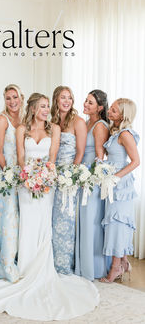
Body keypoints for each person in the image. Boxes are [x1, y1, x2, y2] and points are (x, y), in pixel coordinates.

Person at [0, 93, 99, 321]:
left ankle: (44, 269)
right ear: (33, 108)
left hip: (46, 186)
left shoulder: (54, 128)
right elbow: (21, 157)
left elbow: (52, 158)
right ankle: (25, 268)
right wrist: (27, 177)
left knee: (43, 226)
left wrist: (43, 177)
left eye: (47, 106)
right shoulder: (21, 129)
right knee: (28, 226)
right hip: (25, 186)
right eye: (42, 106)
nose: (47, 110)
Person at [100, 98, 139, 283]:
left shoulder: (125, 135)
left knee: (117, 224)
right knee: (114, 223)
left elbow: (136, 161)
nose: (109, 111)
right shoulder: (115, 132)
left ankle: (116, 268)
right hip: (111, 183)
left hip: (121, 186)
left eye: (114, 110)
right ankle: (123, 262)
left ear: (123, 114)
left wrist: (116, 177)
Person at [51, 86, 87, 274]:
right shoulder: (53, 121)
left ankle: (64, 265)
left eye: (70, 98)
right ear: (56, 100)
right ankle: (51, 261)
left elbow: (80, 152)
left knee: (66, 221)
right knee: (52, 221)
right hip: (52, 177)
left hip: (68, 179)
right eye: (63, 97)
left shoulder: (78, 122)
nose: (66, 101)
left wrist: (70, 177)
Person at [75, 89, 110, 281]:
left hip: (92, 181)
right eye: (86, 101)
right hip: (81, 178)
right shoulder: (85, 122)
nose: (85, 104)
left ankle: (93, 268)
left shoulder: (100, 126)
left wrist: (87, 177)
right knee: (83, 221)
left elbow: (99, 157)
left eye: (90, 102)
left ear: (100, 107)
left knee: (90, 223)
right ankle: (82, 265)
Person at [0, 84, 24, 282]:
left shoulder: (24, 118)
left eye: (15, 97)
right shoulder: (1, 120)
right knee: (9, 219)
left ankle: (19, 258)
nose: (12, 102)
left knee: (20, 218)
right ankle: (6, 263)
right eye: (8, 98)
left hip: (24, 176)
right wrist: (8, 175)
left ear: (21, 98)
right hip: (8, 177)